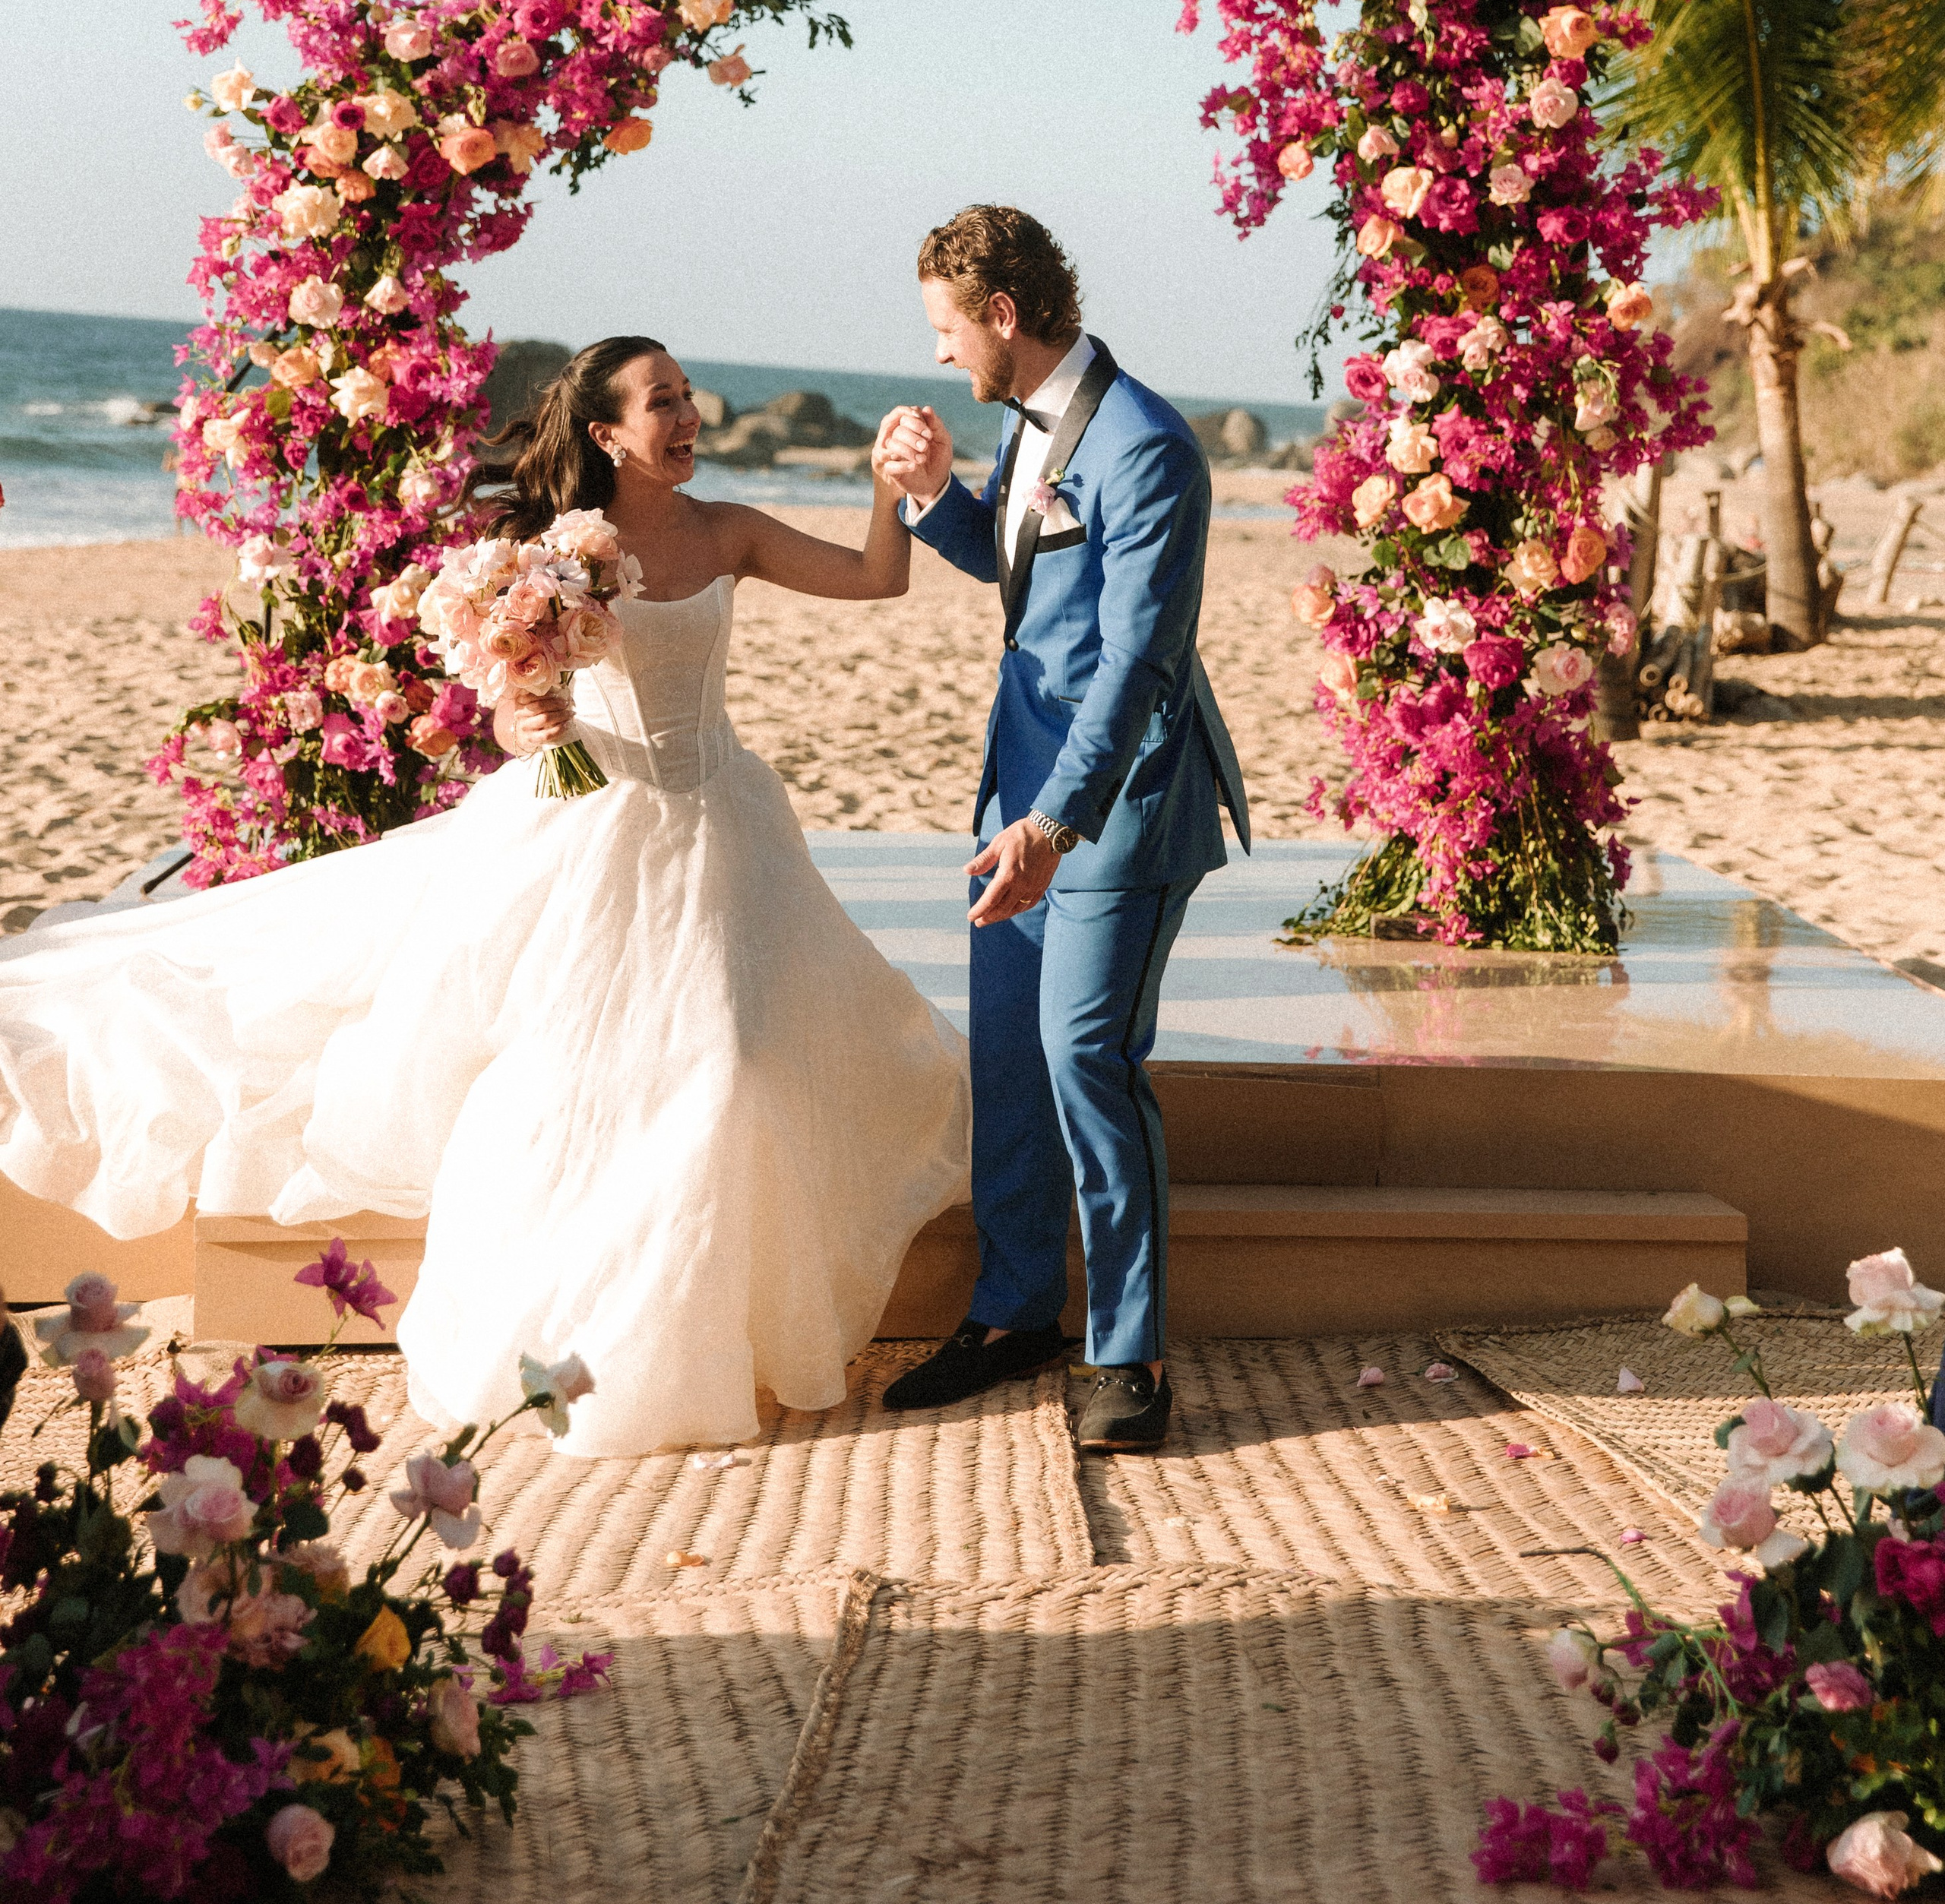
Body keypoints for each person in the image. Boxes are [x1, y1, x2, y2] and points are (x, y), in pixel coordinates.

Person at [0, 338, 969, 1457]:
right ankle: (576, 1341)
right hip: (593, 832)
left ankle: (707, 1335)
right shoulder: (548, 553)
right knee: (567, 1082)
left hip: (725, 827)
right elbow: (512, 706)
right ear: (606, 433)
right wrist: (526, 726)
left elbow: (875, 577)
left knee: (738, 1064)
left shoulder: (727, 529)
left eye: (690, 397)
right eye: (665, 403)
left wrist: (892, 493)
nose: (691, 417)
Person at [874, 207, 1249, 1452]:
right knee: (1008, 1067)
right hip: (1012, 800)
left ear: (1000, 314)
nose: (936, 357)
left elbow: (1140, 660)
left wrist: (1056, 823)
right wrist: (936, 501)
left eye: (943, 328)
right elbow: (1019, 566)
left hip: (1116, 807)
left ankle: (1126, 1352)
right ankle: (1013, 1313)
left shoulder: (1148, 446)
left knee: (1086, 1058)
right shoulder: (1023, 419)